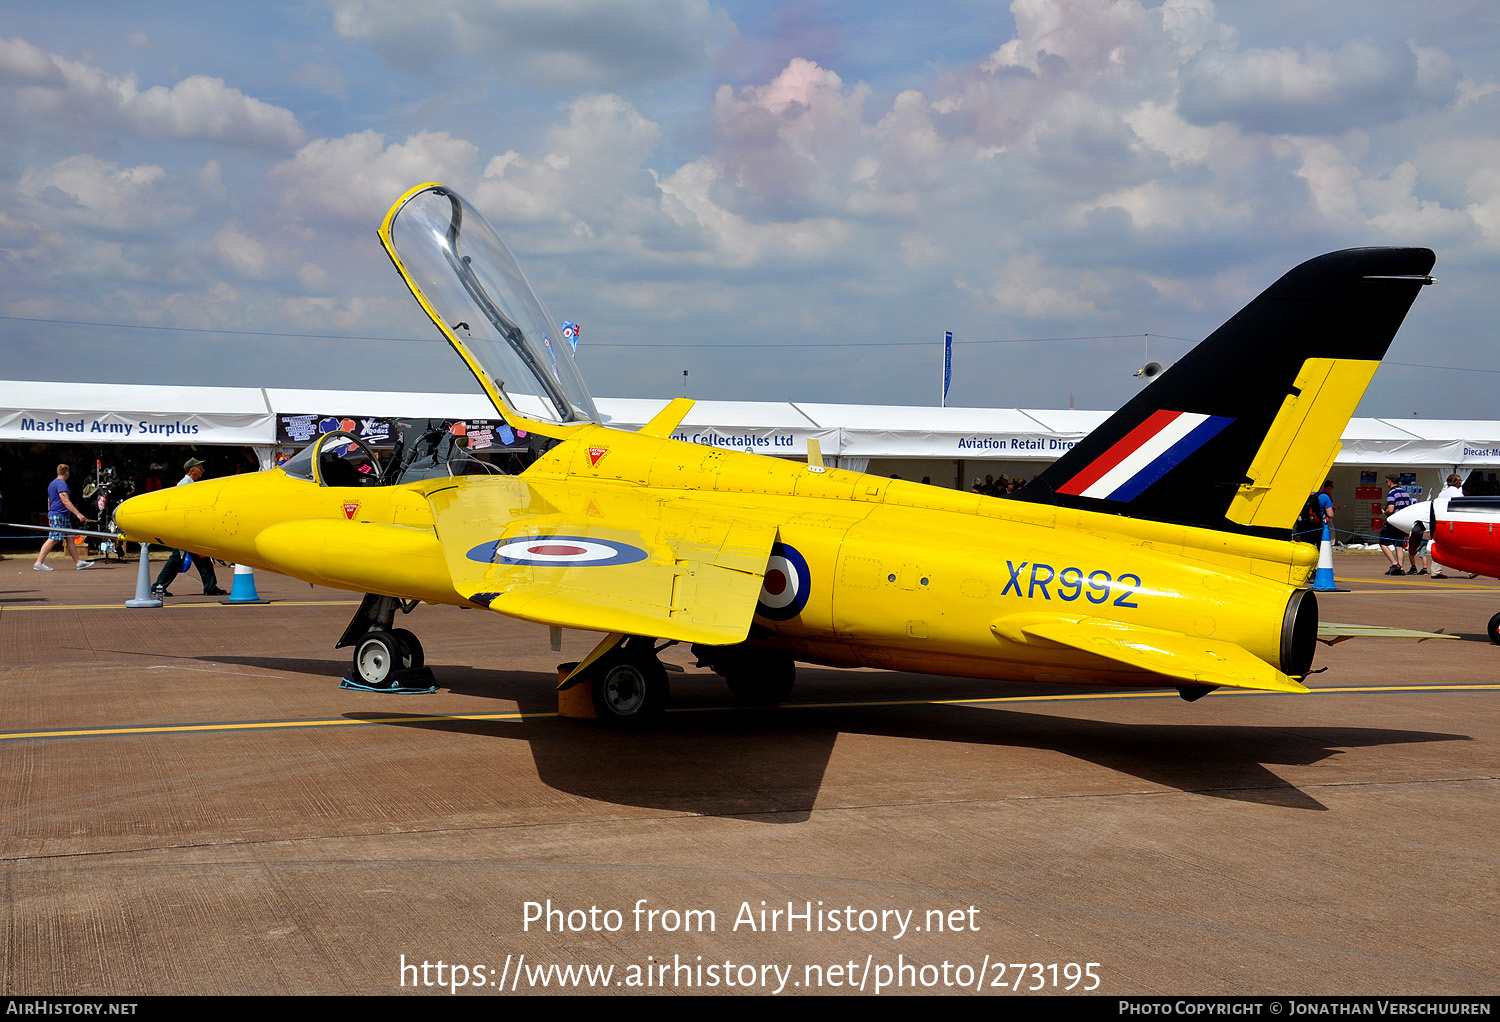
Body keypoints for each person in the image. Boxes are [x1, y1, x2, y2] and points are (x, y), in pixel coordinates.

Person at [150, 458, 226, 596]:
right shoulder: (185, 485)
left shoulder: (191, 484)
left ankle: (210, 586)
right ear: (192, 470)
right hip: (186, 530)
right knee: (177, 560)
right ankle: (158, 586)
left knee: (202, 559)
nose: (203, 471)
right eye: (200, 468)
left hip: (191, 530)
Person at [33, 464, 93, 571]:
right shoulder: (61, 484)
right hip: (59, 514)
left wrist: (49, 515)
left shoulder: (52, 484)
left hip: (59, 514)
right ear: (67, 473)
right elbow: (65, 500)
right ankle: (39, 562)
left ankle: (78, 562)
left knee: (70, 538)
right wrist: (78, 514)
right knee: (54, 538)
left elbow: (49, 500)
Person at [1379, 473, 1412, 575]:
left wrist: (1385, 512)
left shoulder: (1392, 493)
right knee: (1399, 545)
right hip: (1403, 521)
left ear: (1390, 481)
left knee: (1382, 542)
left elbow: (1391, 509)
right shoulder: (1406, 493)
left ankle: (1394, 563)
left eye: (1387, 481)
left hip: (1393, 520)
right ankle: (1401, 568)